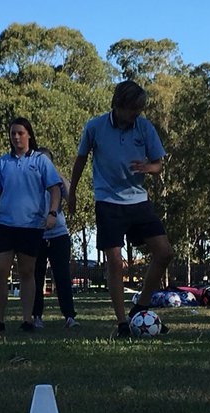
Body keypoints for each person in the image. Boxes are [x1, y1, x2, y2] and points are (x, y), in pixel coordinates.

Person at [68, 80, 173, 338]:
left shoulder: (144, 127)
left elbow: (159, 164)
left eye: (139, 108)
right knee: (114, 261)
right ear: (117, 105)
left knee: (165, 252)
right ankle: (122, 322)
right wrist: (72, 194)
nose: (136, 113)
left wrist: (148, 167)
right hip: (108, 201)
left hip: (138, 200)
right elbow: (81, 159)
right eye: (131, 109)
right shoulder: (95, 127)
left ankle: (141, 306)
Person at [0, 117, 63, 338]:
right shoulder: (2, 163)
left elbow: (55, 189)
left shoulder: (40, 161)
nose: (16, 137)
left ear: (29, 134)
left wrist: (52, 213)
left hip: (31, 225)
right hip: (6, 225)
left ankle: (28, 319)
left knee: (27, 272)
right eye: (13, 134)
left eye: (20, 133)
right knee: (0, 272)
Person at [30, 149, 78, 329]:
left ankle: (69, 316)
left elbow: (70, 196)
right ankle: (36, 316)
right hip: (37, 233)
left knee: (62, 276)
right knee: (36, 276)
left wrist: (56, 174)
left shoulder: (57, 181)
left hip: (59, 234)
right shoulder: (32, 181)